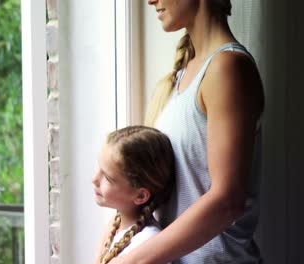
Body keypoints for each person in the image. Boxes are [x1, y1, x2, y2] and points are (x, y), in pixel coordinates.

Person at [108, 0, 265, 263]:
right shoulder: (183, 75)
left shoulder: (228, 68)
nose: (150, 1)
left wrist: (133, 260)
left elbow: (227, 201)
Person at [92, 126, 175, 264]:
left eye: (107, 177)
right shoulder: (115, 224)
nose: (94, 179)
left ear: (141, 196)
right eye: (98, 168)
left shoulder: (148, 243)